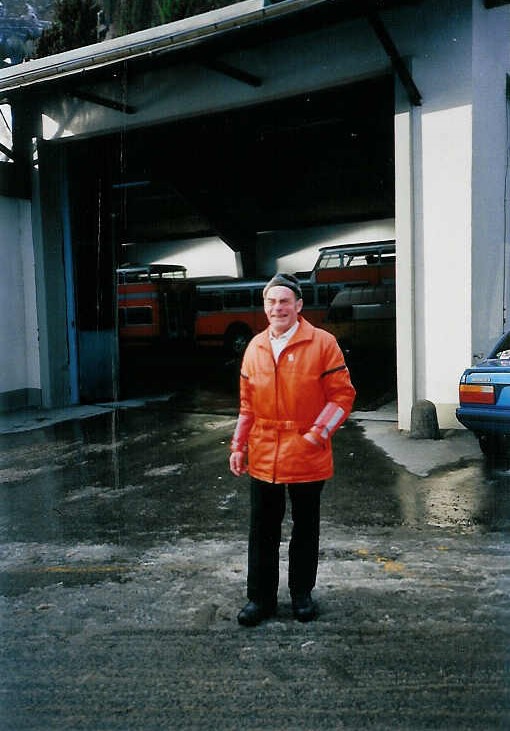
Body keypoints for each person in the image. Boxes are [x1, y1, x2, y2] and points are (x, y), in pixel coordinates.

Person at [229, 272, 356, 626]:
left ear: (299, 305)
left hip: (306, 451)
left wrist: (317, 434)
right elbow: (246, 405)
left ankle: (302, 594)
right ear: (265, 306)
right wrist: (239, 446)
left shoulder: (323, 343)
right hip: (264, 452)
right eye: (271, 301)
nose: (277, 307)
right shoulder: (254, 347)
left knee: (305, 527)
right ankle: (260, 600)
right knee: (262, 529)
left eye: (284, 301)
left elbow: (343, 396)